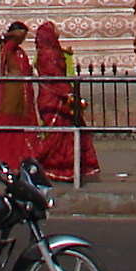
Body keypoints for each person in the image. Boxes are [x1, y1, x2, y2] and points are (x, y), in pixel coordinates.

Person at [30, 20, 97, 179]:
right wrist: (69, 95)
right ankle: (39, 163)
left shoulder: (45, 52)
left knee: (63, 135)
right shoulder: (50, 54)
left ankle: (63, 168)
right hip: (56, 98)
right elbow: (56, 78)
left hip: (49, 97)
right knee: (57, 135)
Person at [0, 21, 38, 168]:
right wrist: (10, 35)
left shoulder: (18, 50)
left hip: (23, 90)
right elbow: (17, 35)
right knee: (8, 120)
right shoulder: (9, 48)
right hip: (13, 90)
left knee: (22, 122)